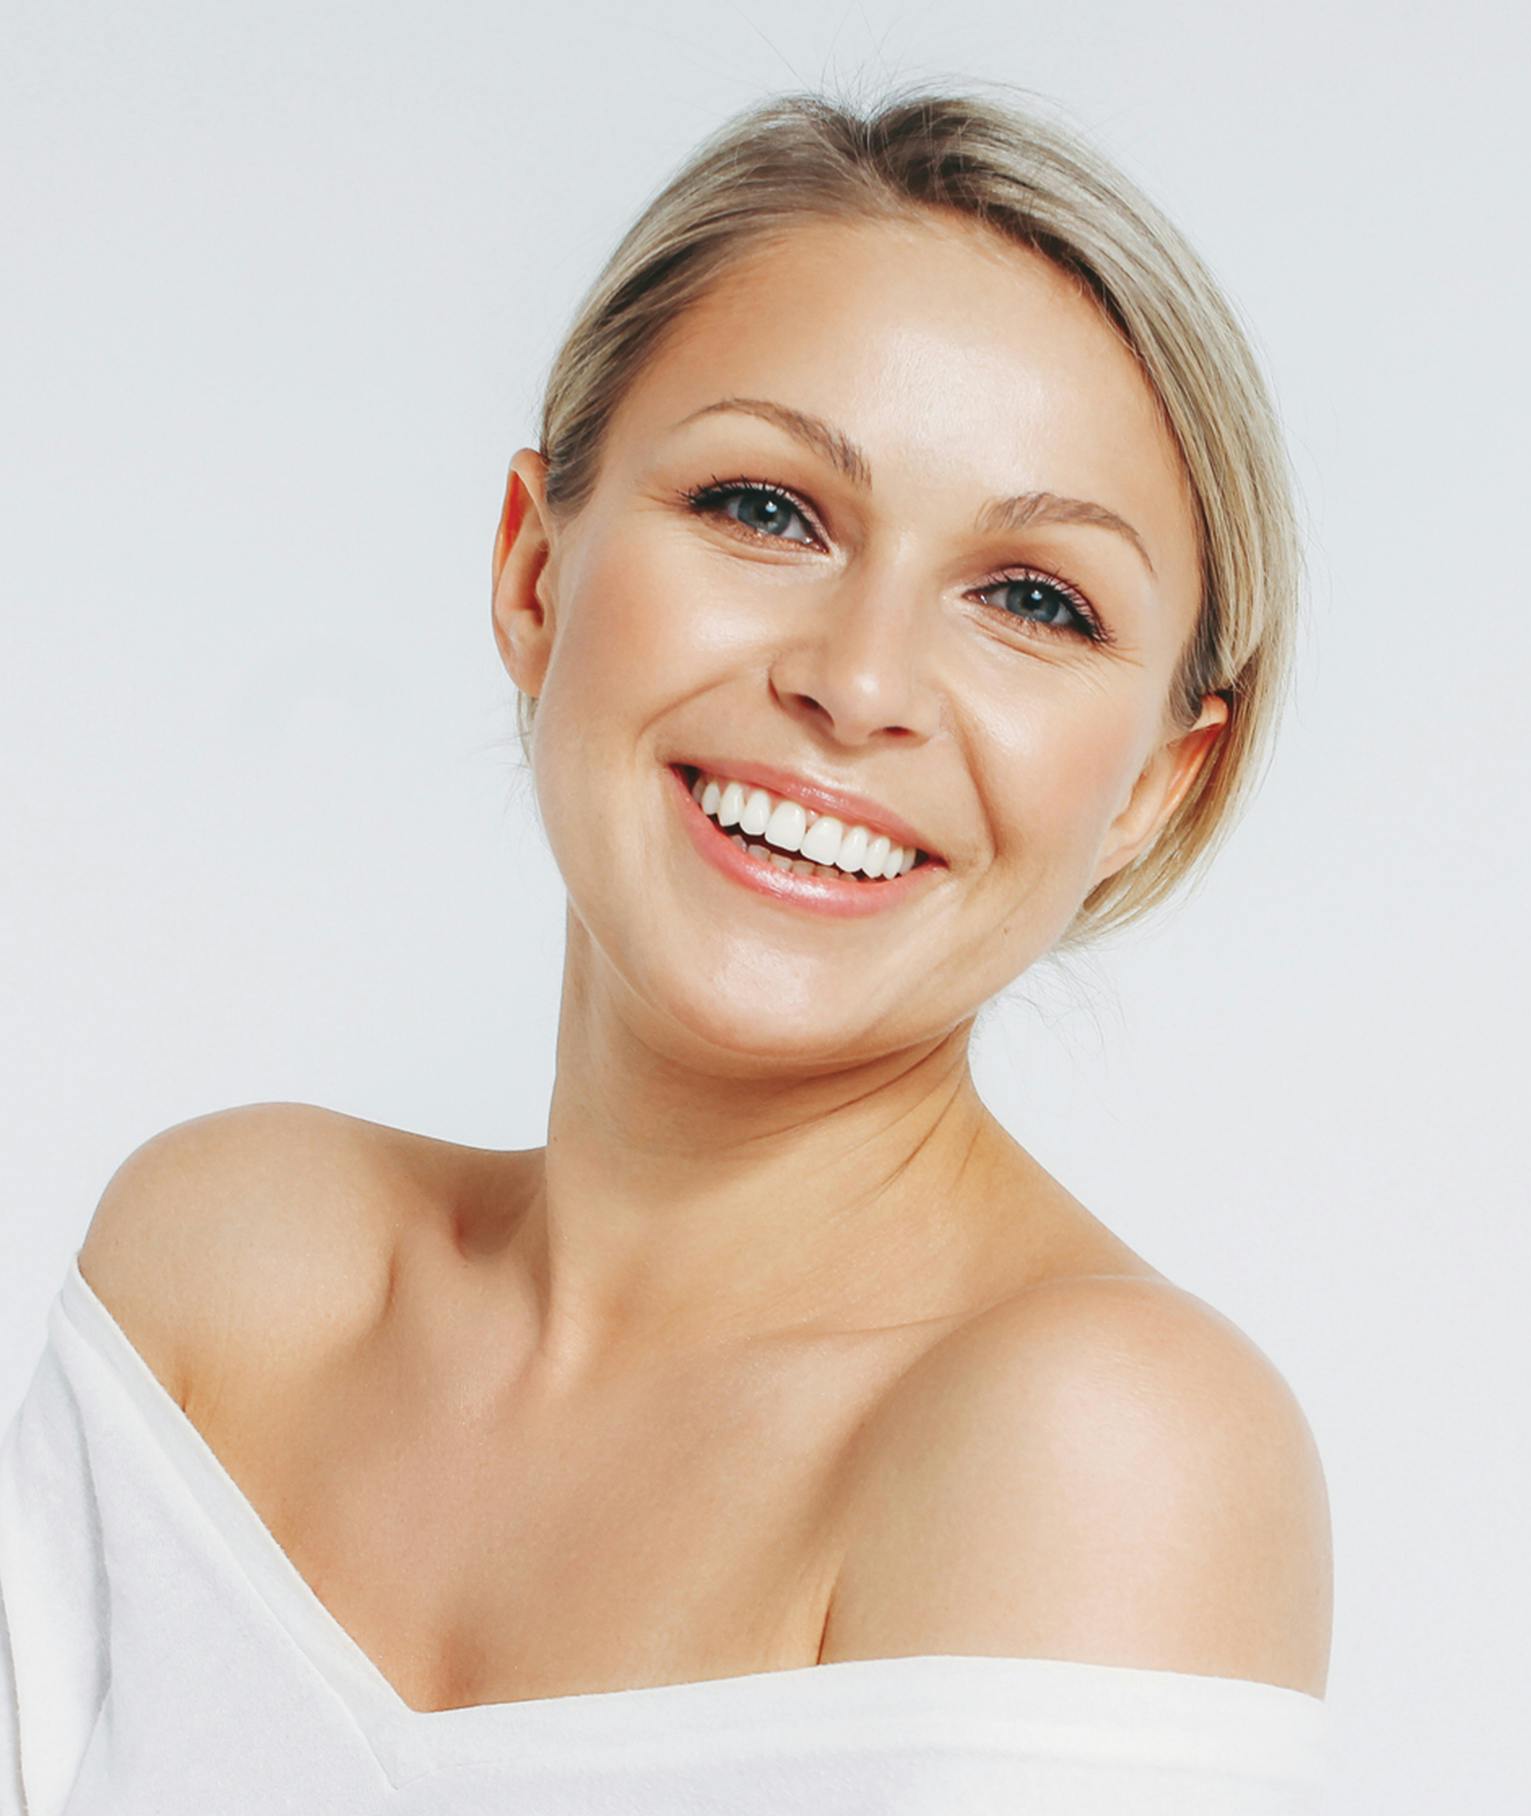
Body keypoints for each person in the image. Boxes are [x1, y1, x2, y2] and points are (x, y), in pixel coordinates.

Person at [0, 82, 1333, 1812]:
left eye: (1033, 600)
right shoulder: (228, 1275)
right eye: (767, 510)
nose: (856, 685)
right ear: (534, 572)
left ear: (1161, 781)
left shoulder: (1100, 1446)